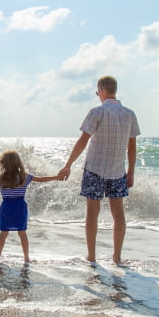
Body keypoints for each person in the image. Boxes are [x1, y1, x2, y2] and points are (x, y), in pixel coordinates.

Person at [58, 76, 140, 264]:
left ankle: (92, 257)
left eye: (97, 92)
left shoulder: (97, 112)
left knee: (92, 213)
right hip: (118, 171)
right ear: (115, 90)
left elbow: (82, 141)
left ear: (101, 90)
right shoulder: (129, 114)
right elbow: (132, 147)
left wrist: (68, 164)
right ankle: (117, 257)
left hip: (94, 169)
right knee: (118, 214)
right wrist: (132, 172)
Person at [0, 150, 62, 263]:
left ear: (3, 163)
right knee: (22, 233)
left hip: (6, 207)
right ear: (18, 163)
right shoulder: (24, 177)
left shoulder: (1, 178)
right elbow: (42, 179)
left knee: (3, 234)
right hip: (19, 207)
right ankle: (26, 258)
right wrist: (57, 177)